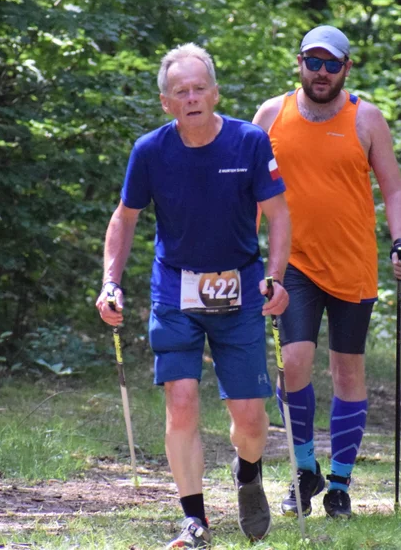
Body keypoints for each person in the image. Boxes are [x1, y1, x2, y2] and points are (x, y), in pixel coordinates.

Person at [96, 43, 292, 549]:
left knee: (250, 419)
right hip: (174, 290)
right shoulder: (151, 151)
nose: (192, 98)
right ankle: (194, 520)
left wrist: (276, 277)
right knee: (181, 404)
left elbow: (279, 216)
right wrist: (110, 283)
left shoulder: (250, 143)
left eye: (199, 88)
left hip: (241, 290)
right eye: (180, 92)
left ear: (215, 92)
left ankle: (248, 473)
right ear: (167, 103)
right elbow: (124, 218)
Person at [252, 25, 401, 519]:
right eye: (313, 62)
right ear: (298, 62)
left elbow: (395, 190)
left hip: (353, 264)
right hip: (292, 265)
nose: (321, 73)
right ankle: (305, 471)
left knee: (349, 372)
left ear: (346, 68)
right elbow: (247, 190)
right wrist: (238, 249)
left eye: (331, 64)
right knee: (294, 362)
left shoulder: (365, 118)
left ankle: (339, 482)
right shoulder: (269, 115)